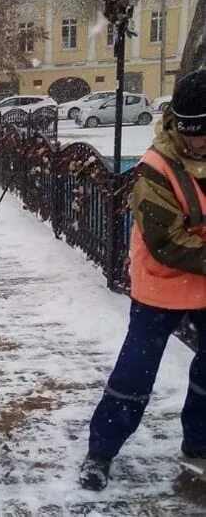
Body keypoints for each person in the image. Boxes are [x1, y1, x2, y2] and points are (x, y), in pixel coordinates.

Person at [79, 68, 206, 491]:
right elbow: (167, 241)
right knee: (137, 369)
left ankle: (199, 440)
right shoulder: (155, 167)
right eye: (189, 132)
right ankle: (101, 451)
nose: (195, 141)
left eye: (203, 132)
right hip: (161, 282)